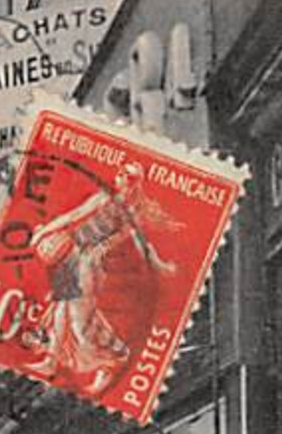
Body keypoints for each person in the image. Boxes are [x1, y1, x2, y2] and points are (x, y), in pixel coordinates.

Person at [22, 159, 180, 396]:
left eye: (124, 177)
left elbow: (138, 244)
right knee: (61, 310)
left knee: (80, 319)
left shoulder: (132, 213)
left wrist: (161, 266)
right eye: (119, 175)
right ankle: (52, 360)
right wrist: (45, 232)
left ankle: (113, 360)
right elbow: (73, 216)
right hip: (71, 253)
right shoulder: (105, 198)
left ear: (132, 184)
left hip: (90, 263)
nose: (118, 180)